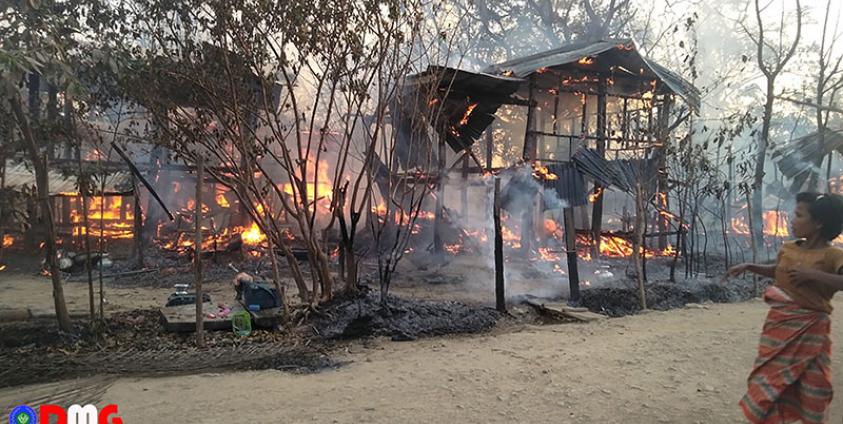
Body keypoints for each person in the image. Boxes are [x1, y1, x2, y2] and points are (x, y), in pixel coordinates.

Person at [726, 192, 843, 423]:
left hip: (811, 333)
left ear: (819, 223)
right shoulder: (788, 249)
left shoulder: (833, 255)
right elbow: (779, 270)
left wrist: (812, 275)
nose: (792, 219)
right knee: (771, 382)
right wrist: (750, 266)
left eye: (799, 215)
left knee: (814, 387)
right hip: (779, 329)